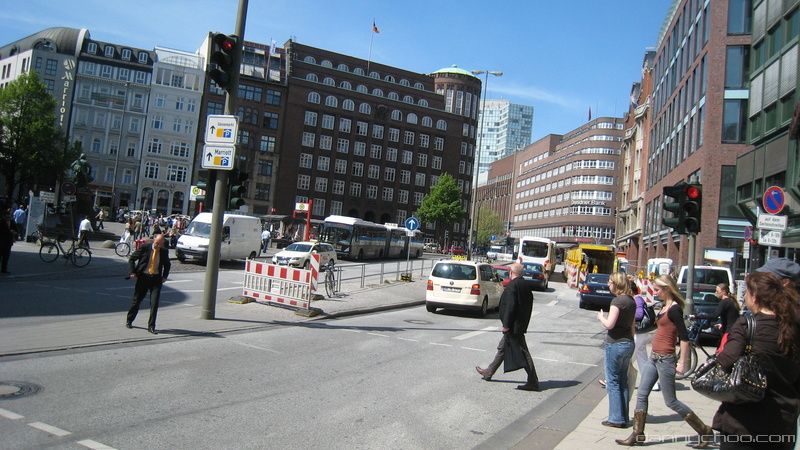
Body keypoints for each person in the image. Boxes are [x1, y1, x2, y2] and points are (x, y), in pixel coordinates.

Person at [617, 274, 714, 447]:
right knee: (642, 394)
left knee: (671, 401)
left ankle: (704, 430)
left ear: (667, 289)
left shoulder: (675, 309)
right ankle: (637, 434)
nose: (655, 292)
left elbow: (684, 338)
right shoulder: (664, 306)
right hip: (654, 358)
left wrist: (682, 363)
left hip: (666, 360)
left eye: (658, 289)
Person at [712, 271, 800, 449]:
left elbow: (726, 361)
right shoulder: (792, 327)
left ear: (754, 296)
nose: (744, 297)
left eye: (746, 292)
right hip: (782, 423)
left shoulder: (746, 325)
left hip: (744, 423)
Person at [475, 262, 540, 391]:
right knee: (502, 348)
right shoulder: (524, 285)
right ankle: (489, 372)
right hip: (519, 324)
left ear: (511, 272)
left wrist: (506, 325)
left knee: (523, 352)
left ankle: (533, 381)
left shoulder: (512, 286)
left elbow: (510, 306)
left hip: (513, 326)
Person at [597, 272, 636, 428]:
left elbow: (609, 325)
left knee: (612, 381)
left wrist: (601, 317)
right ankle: (623, 417)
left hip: (615, 343)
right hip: (628, 343)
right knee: (623, 381)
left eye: (610, 282)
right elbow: (632, 326)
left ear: (616, 284)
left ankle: (615, 418)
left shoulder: (617, 301)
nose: (608, 284)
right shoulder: (631, 301)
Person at [126, 234, 170, 334]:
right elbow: (132, 259)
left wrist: (164, 276)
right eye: (157, 243)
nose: (158, 245)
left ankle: (151, 326)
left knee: (154, 304)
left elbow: (167, 264)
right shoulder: (145, 247)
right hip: (143, 278)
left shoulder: (164, 251)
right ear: (154, 240)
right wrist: (132, 272)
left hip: (156, 279)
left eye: (160, 244)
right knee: (137, 301)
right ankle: (129, 320)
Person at [691, 283, 740, 351]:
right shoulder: (731, 301)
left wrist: (697, 316)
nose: (715, 293)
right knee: (719, 349)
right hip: (732, 329)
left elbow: (714, 315)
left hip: (728, 331)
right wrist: (721, 324)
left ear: (723, 292)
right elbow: (730, 316)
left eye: (717, 291)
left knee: (721, 353)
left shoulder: (724, 302)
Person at [0, 208, 18, 273]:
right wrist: (9, 231)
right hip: (1, 241)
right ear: (4, 216)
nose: (8, 218)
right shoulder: (1, 222)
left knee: (6, 257)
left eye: (9, 217)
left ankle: (4, 269)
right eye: (7, 217)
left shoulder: (12, 222)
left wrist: (15, 232)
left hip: (8, 242)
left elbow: (16, 230)